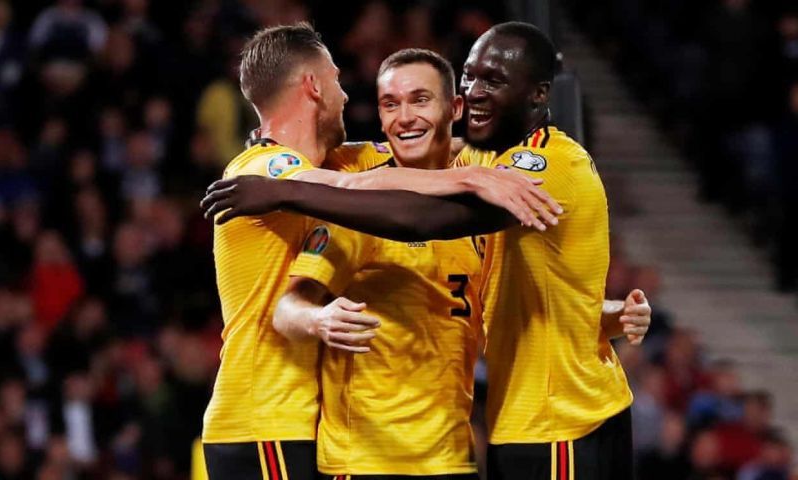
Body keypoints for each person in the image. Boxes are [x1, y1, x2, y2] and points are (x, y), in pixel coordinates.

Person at [201, 22, 639, 479]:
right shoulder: (332, 193)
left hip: (451, 457)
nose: (350, 98)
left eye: (420, 100)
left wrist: (598, 314)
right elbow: (294, 297)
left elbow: (510, 305)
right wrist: (318, 316)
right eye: (389, 103)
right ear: (313, 86)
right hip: (304, 435)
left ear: (453, 109)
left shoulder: (497, 174)